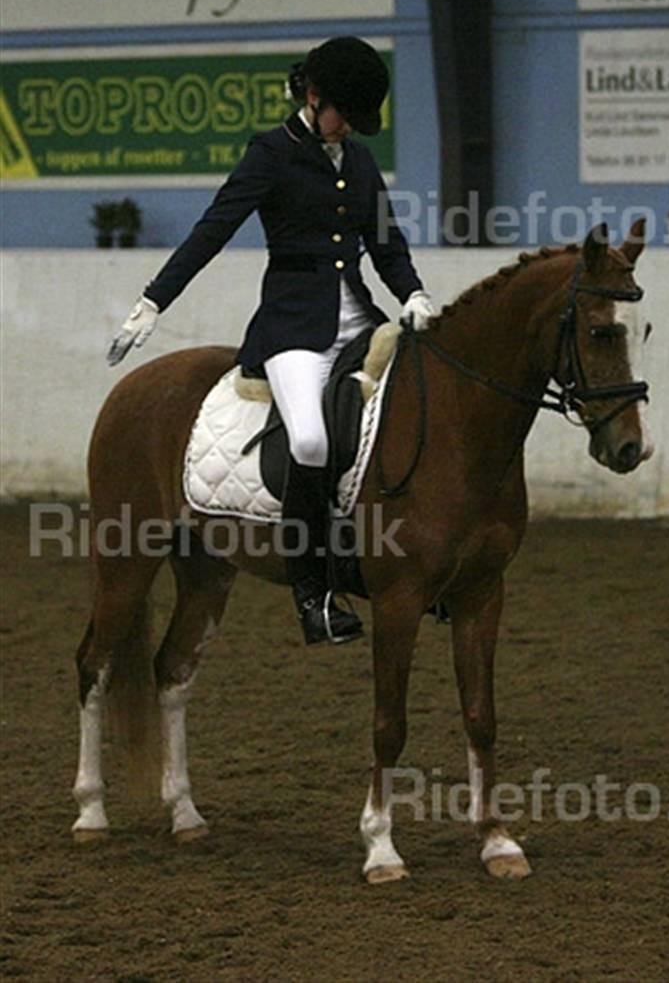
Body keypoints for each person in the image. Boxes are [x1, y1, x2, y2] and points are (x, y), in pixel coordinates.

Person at [107, 36, 434, 646]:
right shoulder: (270, 154)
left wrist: (413, 292)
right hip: (293, 331)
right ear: (313, 98)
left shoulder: (358, 162)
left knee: (412, 410)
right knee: (310, 440)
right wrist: (153, 300)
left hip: (361, 321)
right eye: (341, 116)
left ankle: (410, 564)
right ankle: (313, 593)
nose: (346, 132)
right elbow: (213, 230)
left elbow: (386, 244)